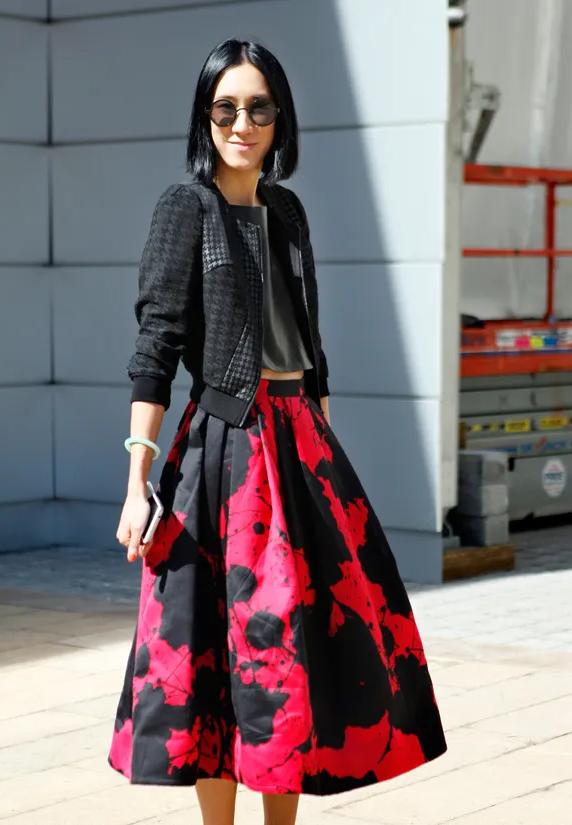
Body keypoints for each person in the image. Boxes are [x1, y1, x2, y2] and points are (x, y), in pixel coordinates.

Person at [110, 38, 447, 825]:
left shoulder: (287, 210)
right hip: (225, 450)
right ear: (205, 116)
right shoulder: (184, 208)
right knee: (225, 658)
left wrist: (326, 451)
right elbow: (156, 345)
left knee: (296, 654)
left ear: (279, 118)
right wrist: (137, 480)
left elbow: (310, 340)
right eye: (226, 107)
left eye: (258, 107)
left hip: (301, 448)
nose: (242, 122)